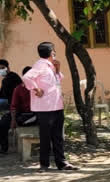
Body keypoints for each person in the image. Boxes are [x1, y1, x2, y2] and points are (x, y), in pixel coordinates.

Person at [22, 42, 77, 171]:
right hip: (45, 108)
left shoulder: (50, 66)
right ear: (51, 52)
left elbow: (57, 81)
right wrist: (36, 89)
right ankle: (44, 164)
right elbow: (26, 77)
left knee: (58, 136)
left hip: (56, 105)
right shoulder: (40, 65)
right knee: (45, 137)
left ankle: (61, 162)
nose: (55, 53)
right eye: (54, 51)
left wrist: (57, 69)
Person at [0, 66, 36, 159]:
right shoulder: (19, 88)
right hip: (21, 114)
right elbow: (14, 106)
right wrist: (13, 120)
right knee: (2, 124)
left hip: (36, 114)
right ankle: (3, 149)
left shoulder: (39, 87)